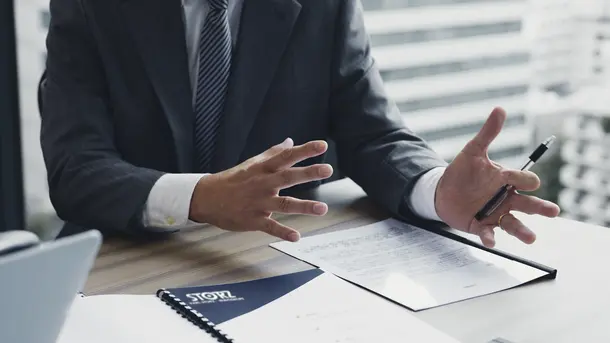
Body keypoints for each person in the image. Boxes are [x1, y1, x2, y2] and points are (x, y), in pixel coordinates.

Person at [40, 0, 560, 248]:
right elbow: (75, 169)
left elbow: (372, 133)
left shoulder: (323, 6)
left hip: (274, 263)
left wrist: (434, 189)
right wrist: (199, 197)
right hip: (122, 263)